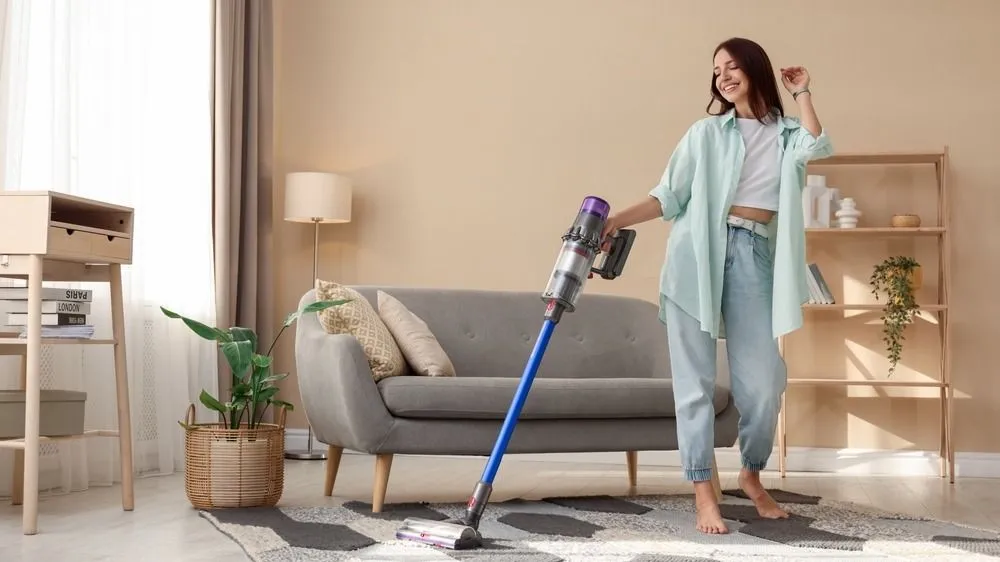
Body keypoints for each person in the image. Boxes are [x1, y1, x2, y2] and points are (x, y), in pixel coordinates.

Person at [600, 37, 833, 534]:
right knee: (694, 385)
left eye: (732, 66)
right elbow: (668, 195)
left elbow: (817, 144)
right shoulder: (705, 133)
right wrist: (618, 218)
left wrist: (803, 92)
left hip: (753, 255)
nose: (724, 75)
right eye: (717, 70)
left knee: (764, 381)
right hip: (694, 258)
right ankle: (704, 489)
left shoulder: (787, 133)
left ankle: (750, 474)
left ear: (753, 68)